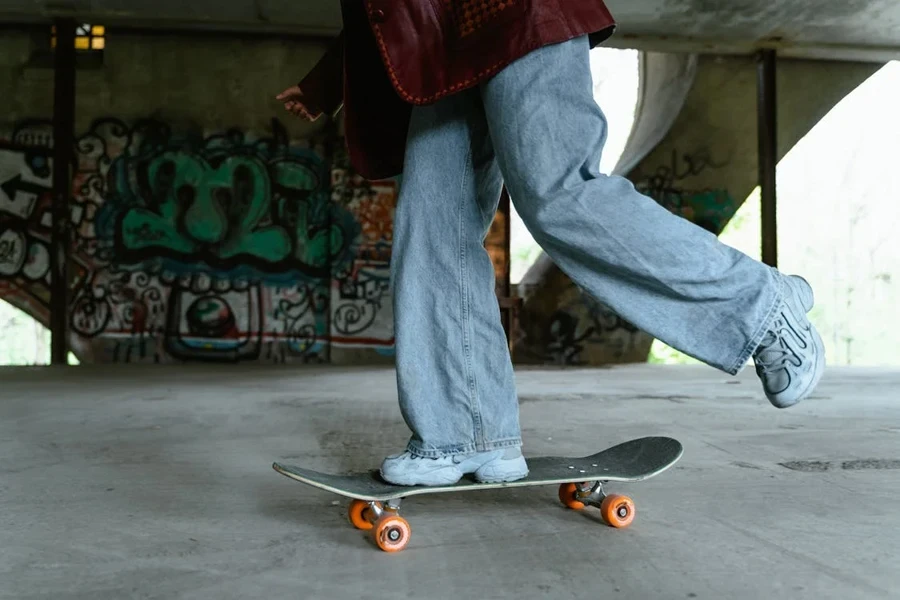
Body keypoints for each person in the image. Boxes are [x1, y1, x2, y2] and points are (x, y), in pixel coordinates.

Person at [276, 0, 826, 487]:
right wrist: (330, 78)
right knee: (432, 233)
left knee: (559, 194)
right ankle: (467, 433)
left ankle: (762, 305)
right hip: (440, 47)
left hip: (516, 13)